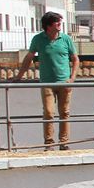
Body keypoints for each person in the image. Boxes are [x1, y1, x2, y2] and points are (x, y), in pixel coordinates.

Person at [13, 11, 79, 148]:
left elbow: (75, 59)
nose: (60, 24)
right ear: (48, 25)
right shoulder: (38, 39)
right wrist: (19, 76)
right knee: (49, 112)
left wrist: (72, 78)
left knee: (64, 113)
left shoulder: (66, 39)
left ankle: (64, 142)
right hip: (47, 83)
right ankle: (49, 143)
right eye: (57, 22)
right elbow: (29, 58)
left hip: (64, 83)